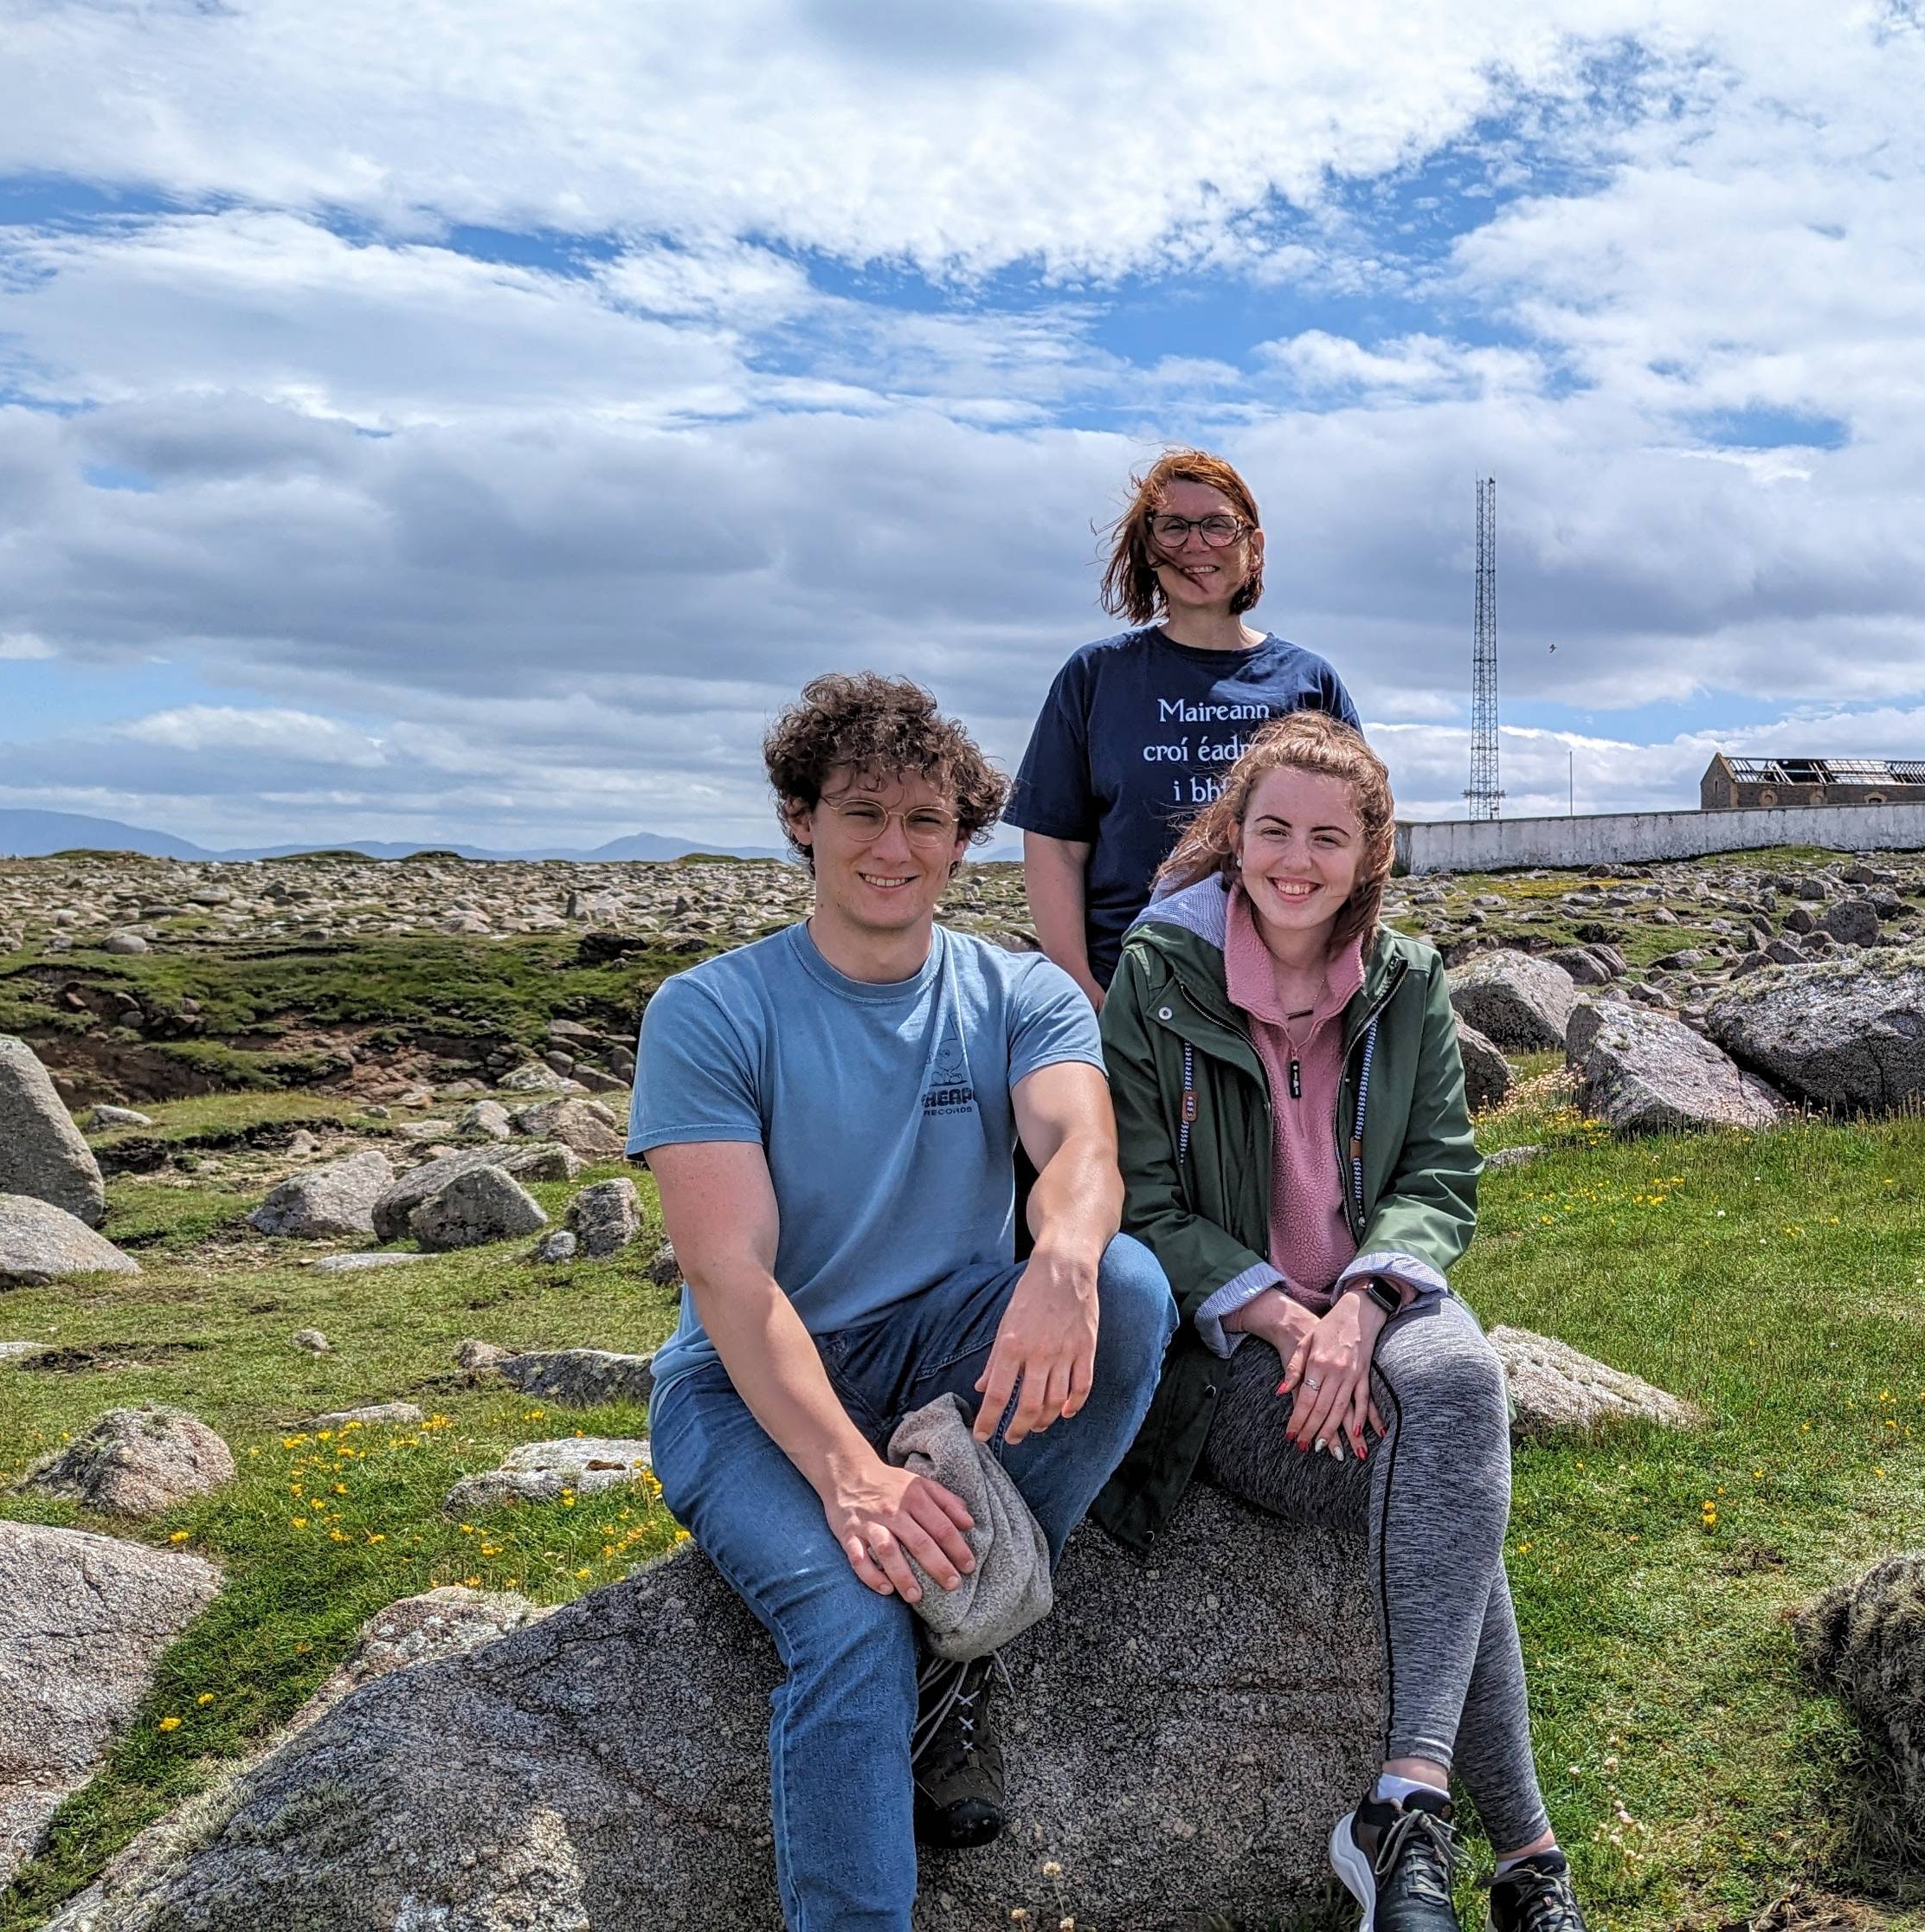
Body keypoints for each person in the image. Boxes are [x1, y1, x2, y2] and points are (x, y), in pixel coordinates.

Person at [633, 673, 1175, 1932]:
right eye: (861, 813)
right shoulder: (711, 1011)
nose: (894, 848)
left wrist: (1065, 1259)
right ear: (799, 819)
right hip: (746, 1386)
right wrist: (847, 1476)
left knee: (1134, 1286)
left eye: (926, 820)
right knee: (850, 1624)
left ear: (963, 837)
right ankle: (929, 1668)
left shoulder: (1020, 992)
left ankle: (959, 1624)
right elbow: (729, 1274)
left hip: (938, 1352)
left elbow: (1082, 1151)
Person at [1088, 712, 1587, 1932]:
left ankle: (1403, 1798)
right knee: (1443, 1487)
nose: (1295, 860)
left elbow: (1436, 1174)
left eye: (1327, 835)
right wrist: (1277, 1317)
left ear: (1369, 850)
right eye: (1272, 831)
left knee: (1458, 1394)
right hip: (1227, 1347)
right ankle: (1527, 1856)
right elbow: (1139, 1198)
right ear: (1234, 837)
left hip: (1376, 1302)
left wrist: (1359, 1307)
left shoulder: (1409, 975)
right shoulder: (1156, 977)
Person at [1006, 447, 1361, 1009]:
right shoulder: (1095, 677)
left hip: (1281, 1001)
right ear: (1149, 549)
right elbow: (1055, 846)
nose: (1196, 545)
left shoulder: (1310, 683)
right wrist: (1086, 993)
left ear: (1255, 546)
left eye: (1218, 525)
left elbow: (1360, 841)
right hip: (1128, 991)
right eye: (1173, 527)